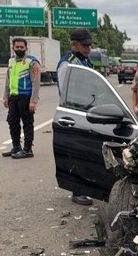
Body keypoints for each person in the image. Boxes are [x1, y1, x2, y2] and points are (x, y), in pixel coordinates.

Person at [55, 28, 94, 206]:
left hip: (88, 112)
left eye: (90, 45)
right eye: (85, 45)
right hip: (75, 114)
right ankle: (77, 191)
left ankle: (86, 186)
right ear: (74, 44)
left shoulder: (85, 61)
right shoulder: (68, 63)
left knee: (87, 152)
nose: (88, 48)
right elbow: (66, 92)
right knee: (77, 153)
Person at [2, 37, 40, 159]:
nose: (19, 49)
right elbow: (8, 80)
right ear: (13, 48)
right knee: (12, 122)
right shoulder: (11, 61)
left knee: (27, 123)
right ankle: (16, 147)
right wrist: (5, 96)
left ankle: (28, 149)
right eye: (17, 47)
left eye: (21, 47)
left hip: (26, 97)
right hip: (13, 97)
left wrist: (33, 101)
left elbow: (36, 82)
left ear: (26, 48)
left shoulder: (32, 62)